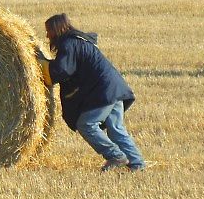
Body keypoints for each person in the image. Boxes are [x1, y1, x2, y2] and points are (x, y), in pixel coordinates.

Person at [36, 13, 146, 172]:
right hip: (114, 87)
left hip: (103, 91)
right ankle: (137, 164)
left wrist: (40, 66)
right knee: (116, 130)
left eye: (48, 31)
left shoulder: (69, 44)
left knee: (86, 124)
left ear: (56, 29)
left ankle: (115, 155)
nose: (47, 35)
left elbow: (62, 70)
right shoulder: (80, 40)